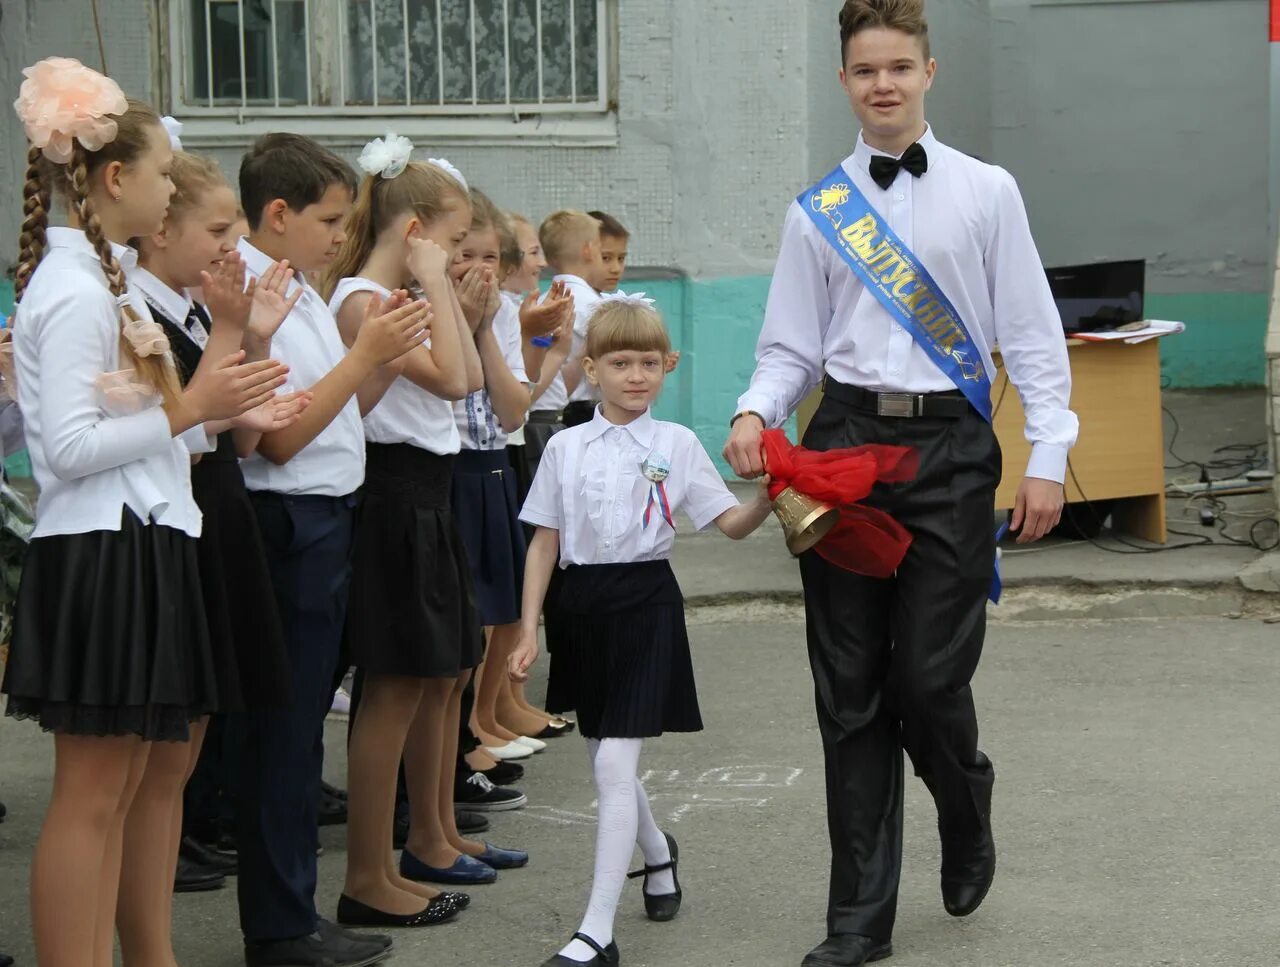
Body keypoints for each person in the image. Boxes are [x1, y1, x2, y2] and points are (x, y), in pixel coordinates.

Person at [722, 2, 1079, 964]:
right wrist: (756, 410)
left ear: (930, 71)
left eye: (899, 66)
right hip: (842, 447)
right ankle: (857, 919)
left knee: (927, 677)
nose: (882, 83)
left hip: (951, 453)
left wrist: (1048, 456)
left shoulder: (987, 191)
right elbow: (790, 346)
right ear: (843, 81)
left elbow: (1034, 338)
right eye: (864, 69)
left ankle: (965, 802)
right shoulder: (819, 211)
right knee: (850, 690)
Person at [2, 59, 288, 967]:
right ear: (114, 178)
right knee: (91, 797)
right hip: (99, 549)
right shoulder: (76, 288)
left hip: (141, 537)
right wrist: (192, 407)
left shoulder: (104, 276)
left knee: (124, 788)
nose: (173, 184)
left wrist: (202, 406)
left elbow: (143, 428)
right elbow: (66, 450)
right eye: (164, 169)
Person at [511, 295, 773, 966]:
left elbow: (732, 525)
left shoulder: (677, 444)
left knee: (610, 762)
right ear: (591, 369)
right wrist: (527, 629)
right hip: (579, 605)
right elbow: (544, 542)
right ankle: (658, 854)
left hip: (646, 601)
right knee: (606, 753)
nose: (636, 375)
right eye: (621, 362)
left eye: (649, 362)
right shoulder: (565, 446)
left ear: (668, 366)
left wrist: (778, 489)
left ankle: (596, 931)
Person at [233, 132, 431, 967]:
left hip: (325, 517)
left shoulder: (303, 287)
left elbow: (336, 409)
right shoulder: (254, 291)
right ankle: (280, 925)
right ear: (276, 215)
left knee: (301, 728)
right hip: (290, 523)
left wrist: (376, 360)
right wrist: (363, 356)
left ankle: (297, 913)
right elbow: (278, 441)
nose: (337, 234)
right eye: (326, 218)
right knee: (283, 733)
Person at [124, 145, 312, 959]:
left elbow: (227, 424)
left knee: (182, 754)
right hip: (176, 524)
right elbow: (185, 428)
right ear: (159, 230)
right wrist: (241, 343)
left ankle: (149, 941)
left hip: (215, 519)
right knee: (154, 764)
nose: (231, 247)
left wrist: (252, 353)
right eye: (217, 228)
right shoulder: (138, 309)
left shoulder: (194, 310)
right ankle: (136, 939)